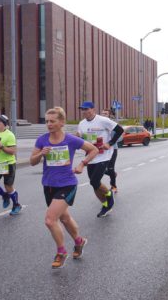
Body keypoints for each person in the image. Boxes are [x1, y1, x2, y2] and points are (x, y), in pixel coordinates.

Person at [30, 107, 98, 269]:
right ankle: (79, 242)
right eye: (47, 121)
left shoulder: (71, 140)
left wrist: (82, 164)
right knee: (64, 218)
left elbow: (94, 149)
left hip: (67, 184)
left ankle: (61, 252)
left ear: (62, 122)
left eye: (52, 121)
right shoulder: (42, 140)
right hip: (48, 185)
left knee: (50, 220)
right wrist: (41, 155)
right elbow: (32, 161)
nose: (49, 124)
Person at [77, 101, 124, 217]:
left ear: (93, 110)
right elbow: (80, 138)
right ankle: (105, 204)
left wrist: (110, 143)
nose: (84, 112)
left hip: (104, 155)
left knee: (94, 181)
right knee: (94, 184)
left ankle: (109, 195)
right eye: (82, 109)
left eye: (86, 109)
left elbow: (120, 130)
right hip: (91, 156)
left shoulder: (103, 120)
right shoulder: (81, 124)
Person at [0, 114, 22, 215]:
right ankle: (4, 195)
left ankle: (16, 205)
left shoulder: (10, 135)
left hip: (8, 164)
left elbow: (13, 151)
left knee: (8, 187)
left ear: (5, 124)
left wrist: (1, 147)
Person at [102, 109, 119, 194]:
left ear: (109, 115)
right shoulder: (99, 125)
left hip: (113, 149)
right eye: (102, 113)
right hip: (102, 149)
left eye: (106, 114)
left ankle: (114, 186)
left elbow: (120, 137)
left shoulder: (113, 125)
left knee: (110, 168)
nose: (104, 115)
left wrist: (111, 142)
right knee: (98, 168)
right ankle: (112, 174)